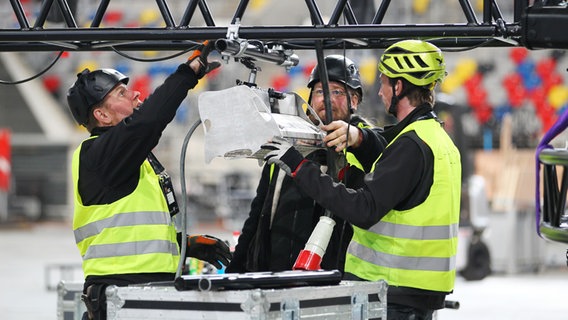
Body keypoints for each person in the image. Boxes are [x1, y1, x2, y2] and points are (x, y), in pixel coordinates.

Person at [261, 40, 461, 320]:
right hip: (415, 291)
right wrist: (359, 137)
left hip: (393, 289)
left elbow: (363, 209)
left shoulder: (412, 145)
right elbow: (384, 149)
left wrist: (298, 165)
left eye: (383, 83)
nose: (380, 92)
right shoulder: (436, 138)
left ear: (399, 87)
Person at [67, 41, 232, 320]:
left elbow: (130, 230)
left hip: (145, 292)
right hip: (121, 295)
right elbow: (148, 122)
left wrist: (185, 245)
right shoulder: (99, 154)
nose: (135, 95)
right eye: (122, 93)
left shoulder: (131, 159)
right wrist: (187, 74)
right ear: (102, 115)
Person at [226, 55, 382, 274]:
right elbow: (257, 212)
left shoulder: (360, 143)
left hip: (330, 275)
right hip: (273, 272)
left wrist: (357, 136)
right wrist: (236, 269)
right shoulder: (289, 140)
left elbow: (380, 148)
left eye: (337, 92)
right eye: (320, 91)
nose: (326, 99)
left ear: (354, 101)